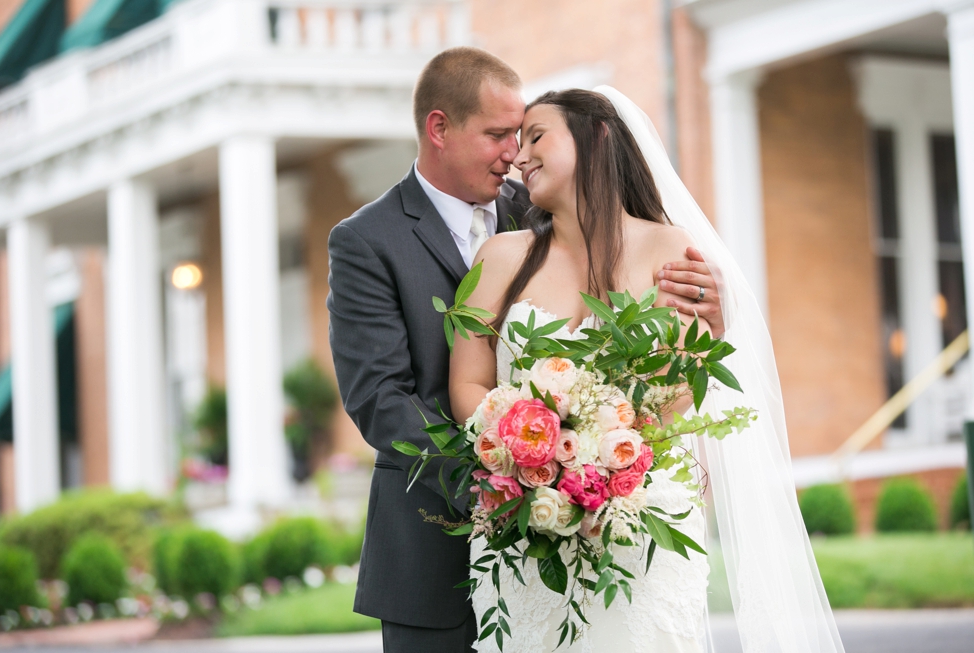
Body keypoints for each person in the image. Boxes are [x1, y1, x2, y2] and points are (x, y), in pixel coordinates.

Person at [327, 48, 726, 653]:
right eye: (497, 135)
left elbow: (664, 351)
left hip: (601, 520)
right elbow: (380, 401)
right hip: (431, 547)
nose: (515, 153)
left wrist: (709, 323)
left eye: (522, 135)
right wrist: (514, 483)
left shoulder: (546, 203)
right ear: (439, 129)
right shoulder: (365, 241)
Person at [449, 88, 846, 652]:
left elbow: (680, 384)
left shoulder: (673, 250)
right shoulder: (500, 257)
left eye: (536, 136)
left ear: (599, 138)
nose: (518, 157)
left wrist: (593, 452)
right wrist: (523, 455)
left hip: (637, 516)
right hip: (523, 520)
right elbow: (468, 383)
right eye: (516, 143)